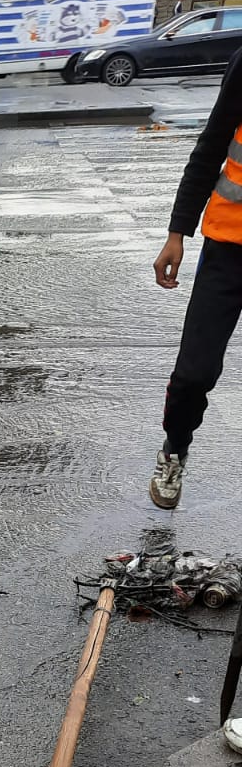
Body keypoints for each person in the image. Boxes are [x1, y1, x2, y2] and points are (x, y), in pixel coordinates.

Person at [150, 44, 242, 509]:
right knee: (193, 374)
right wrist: (177, 232)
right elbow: (209, 150)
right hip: (228, 249)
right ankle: (174, 450)